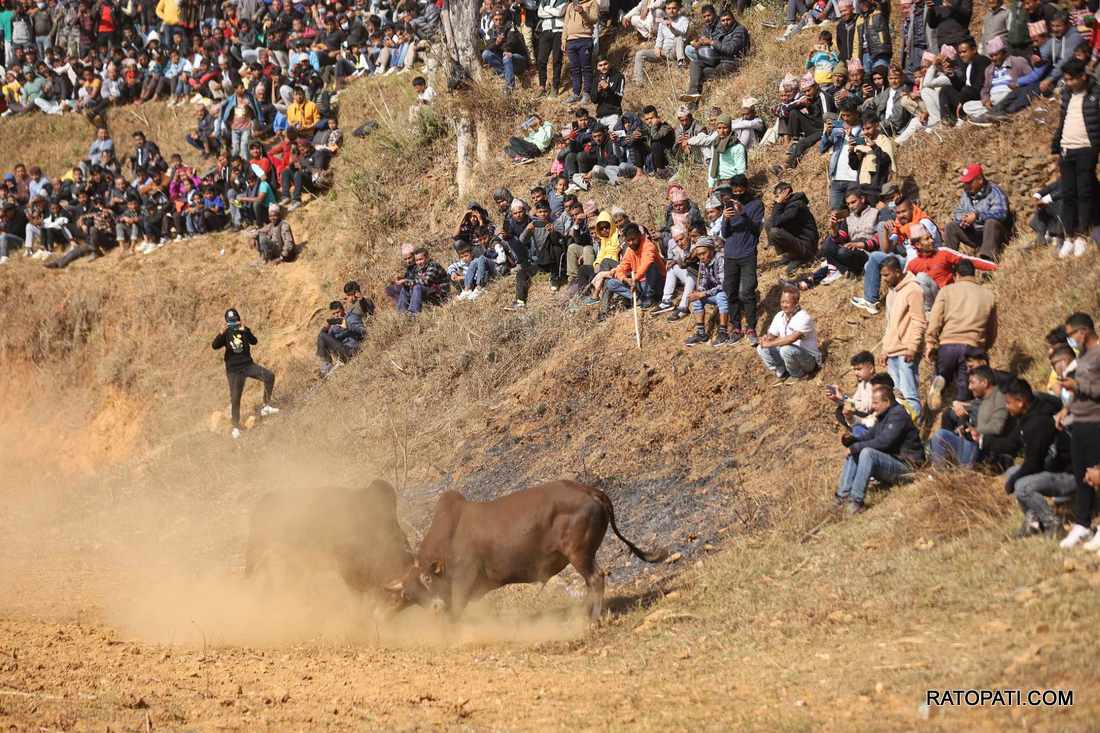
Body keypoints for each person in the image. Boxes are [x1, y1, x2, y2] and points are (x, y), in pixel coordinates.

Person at [996, 378, 1074, 538]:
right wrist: (981, 439)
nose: (1006, 406)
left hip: (1070, 475)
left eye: (1008, 402)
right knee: (1012, 472)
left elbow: (1033, 465)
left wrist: (1012, 482)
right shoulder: (1027, 418)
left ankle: (1053, 523)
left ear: (1020, 402)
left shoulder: (1039, 421)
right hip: (1051, 469)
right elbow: (1011, 445)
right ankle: (1033, 522)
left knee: (1022, 486)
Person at [835, 385, 924, 514]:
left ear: (887, 401)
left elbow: (884, 442)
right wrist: (852, 440)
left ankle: (855, 502)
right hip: (894, 462)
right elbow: (870, 435)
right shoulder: (884, 415)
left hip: (909, 469)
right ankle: (842, 497)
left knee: (867, 452)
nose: (873, 407)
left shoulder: (898, 415)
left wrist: (857, 447)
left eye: (876, 403)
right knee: (856, 450)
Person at [925, 259, 998, 413]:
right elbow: (992, 328)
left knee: (943, 372)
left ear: (956, 275)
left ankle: (941, 379)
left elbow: (936, 318)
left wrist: (930, 342)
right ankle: (960, 411)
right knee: (965, 389)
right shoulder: (988, 295)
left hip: (948, 344)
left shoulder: (947, 291)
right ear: (974, 273)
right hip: (973, 347)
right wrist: (985, 347)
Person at [1050, 59, 1098, 259]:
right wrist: (1057, 143)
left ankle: (1081, 236)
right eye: (1066, 79)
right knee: (1068, 194)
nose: (1067, 83)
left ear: (1082, 77)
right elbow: (1063, 120)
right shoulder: (1067, 94)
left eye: (1071, 79)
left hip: (1086, 148)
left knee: (1084, 193)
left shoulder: (1096, 94)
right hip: (1067, 149)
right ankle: (1068, 236)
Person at [1059, 312, 1100, 550]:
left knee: (1097, 474)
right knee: (1081, 475)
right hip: (1080, 421)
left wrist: (1079, 385)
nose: (1070, 340)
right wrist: (1068, 406)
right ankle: (1082, 523)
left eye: (1071, 335)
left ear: (1083, 332)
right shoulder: (1082, 355)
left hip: (1096, 422)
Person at [211, 308, 278, 440]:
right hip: (233, 370)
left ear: (239, 319)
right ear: (226, 322)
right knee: (235, 397)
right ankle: (235, 426)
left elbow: (254, 341)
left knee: (269, 376)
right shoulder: (225, 333)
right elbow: (214, 346)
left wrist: (244, 330)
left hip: (248, 365)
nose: (233, 323)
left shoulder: (244, 330)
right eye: (230, 322)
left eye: (235, 320)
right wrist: (221, 332)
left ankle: (266, 405)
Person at [929, 366, 1008, 468]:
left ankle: (945, 473)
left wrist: (966, 415)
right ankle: (942, 470)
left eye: (972, 383)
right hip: (972, 445)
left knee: (941, 435)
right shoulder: (980, 399)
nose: (969, 387)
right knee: (944, 428)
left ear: (984, 382)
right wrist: (962, 420)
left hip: (985, 452)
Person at [719, 175, 764, 345]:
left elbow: (755, 229)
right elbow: (725, 233)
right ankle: (736, 327)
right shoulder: (729, 204)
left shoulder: (756, 204)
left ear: (746, 188)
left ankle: (751, 328)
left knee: (747, 291)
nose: (737, 194)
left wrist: (743, 213)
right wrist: (726, 218)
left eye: (740, 191)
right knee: (730, 291)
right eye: (735, 191)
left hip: (747, 253)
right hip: (730, 254)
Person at [880, 256, 926, 418]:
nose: (884, 279)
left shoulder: (913, 290)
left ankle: (916, 433)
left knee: (909, 396)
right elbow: (890, 324)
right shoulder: (892, 293)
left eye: (886, 275)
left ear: (898, 272)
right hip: (892, 351)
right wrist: (885, 349)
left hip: (906, 350)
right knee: (897, 397)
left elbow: (919, 321)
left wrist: (913, 347)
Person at [597, 222, 666, 319]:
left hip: (656, 283)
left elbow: (647, 263)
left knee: (651, 266)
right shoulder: (630, 250)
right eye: (628, 240)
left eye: (633, 239)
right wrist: (625, 279)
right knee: (611, 283)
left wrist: (635, 279)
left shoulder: (648, 245)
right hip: (639, 284)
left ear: (639, 236)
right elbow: (620, 269)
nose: (631, 243)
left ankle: (650, 298)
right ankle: (639, 299)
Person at [944, 164, 1012, 261]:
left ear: (980, 180)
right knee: (951, 226)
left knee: (991, 222)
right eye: (965, 183)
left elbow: (1001, 213)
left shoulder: (994, 192)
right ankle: (949, 262)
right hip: (976, 233)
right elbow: (958, 212)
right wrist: (963, 219)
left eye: (969, 182)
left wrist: (977, 215)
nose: (966, 186)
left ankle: (987, 260)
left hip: (995, 234)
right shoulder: (966, 195)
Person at [680, 9, 749, 102]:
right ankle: (693, 93)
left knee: (699, 74)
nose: (726, 23)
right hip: (720, 60)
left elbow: (731, 49)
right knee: (695, 63)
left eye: (728, 19)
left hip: (732, 63)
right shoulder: (724, 31)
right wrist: (702, 43)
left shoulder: (739, 30)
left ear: (733, 19)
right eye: (723, 20)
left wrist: (711, 42)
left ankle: (693, 103)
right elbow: (715, 44)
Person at [756, 287, 821, 381]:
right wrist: (765, 339)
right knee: (761, 348)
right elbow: (772, 334)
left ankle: (798, 375)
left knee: (785, 349)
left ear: (796, 303)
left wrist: (769, 343)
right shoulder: (779, 316)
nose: (784, 305)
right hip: (789, 356)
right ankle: (782, 371)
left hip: (808, 359)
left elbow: (791, 339)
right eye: (782, 302)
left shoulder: (803, 317)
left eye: (787, 302)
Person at [683, 237, 728, 345]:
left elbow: (724, 285)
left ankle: (723, 332)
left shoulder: (721, 259)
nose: (701, 257)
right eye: (699, 255)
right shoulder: (703, 263)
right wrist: (698, 292)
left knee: (721, 296)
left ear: (711, 250)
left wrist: (703, 293)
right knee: (696, 299)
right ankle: (701, 333)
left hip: (727, 292)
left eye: (704, 253)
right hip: (713, 292)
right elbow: (702, 282)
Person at [765, 181, 818, 273]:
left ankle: (801, 257)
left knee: (775, 232)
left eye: (778, 196)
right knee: (768, 222)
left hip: (807, 246)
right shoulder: (788, 204)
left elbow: (776, 222)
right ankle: (790, 254)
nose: (777, 199)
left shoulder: (796, 205)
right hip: (798, 241)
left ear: (786, 193)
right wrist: (778, 205)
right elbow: (773, 220)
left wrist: (778, 204)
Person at [633, 0, 688, 86]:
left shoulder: (683, 20)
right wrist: (657, 47)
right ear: (666, 9)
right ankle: (640, 82)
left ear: (678, 9)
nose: (671, 10)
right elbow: (659, 38)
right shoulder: (663, 21)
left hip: (676, 51)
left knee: (679, 38)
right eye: (669, 8)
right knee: (640, 54)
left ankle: (681, 63)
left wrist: (671, 27)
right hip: (664, 51)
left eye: (674, 8)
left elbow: (682, 33)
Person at [827, 350, 878, 438]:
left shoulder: (877, 383)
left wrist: (843, 398)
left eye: (859, 369)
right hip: (864, 415)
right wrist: (838, 399)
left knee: (847, 409)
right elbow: (854, 401)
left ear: (871, 368)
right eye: (854, 369)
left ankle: (863, 434)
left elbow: (866, 407)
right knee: (840, 410)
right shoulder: (863, 384)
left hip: (874, 418)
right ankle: (858, 433)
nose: (856, 373)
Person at [562, 0, 598, 104]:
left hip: (585, 39)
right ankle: (576, 93)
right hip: (571, 41)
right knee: (574, 69)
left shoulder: (592, 3)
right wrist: (564, 39)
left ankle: (587, 93)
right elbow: (566, 24)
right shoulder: (570, 5)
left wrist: (582, 12)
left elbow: (594, 20)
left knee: (586, 67)